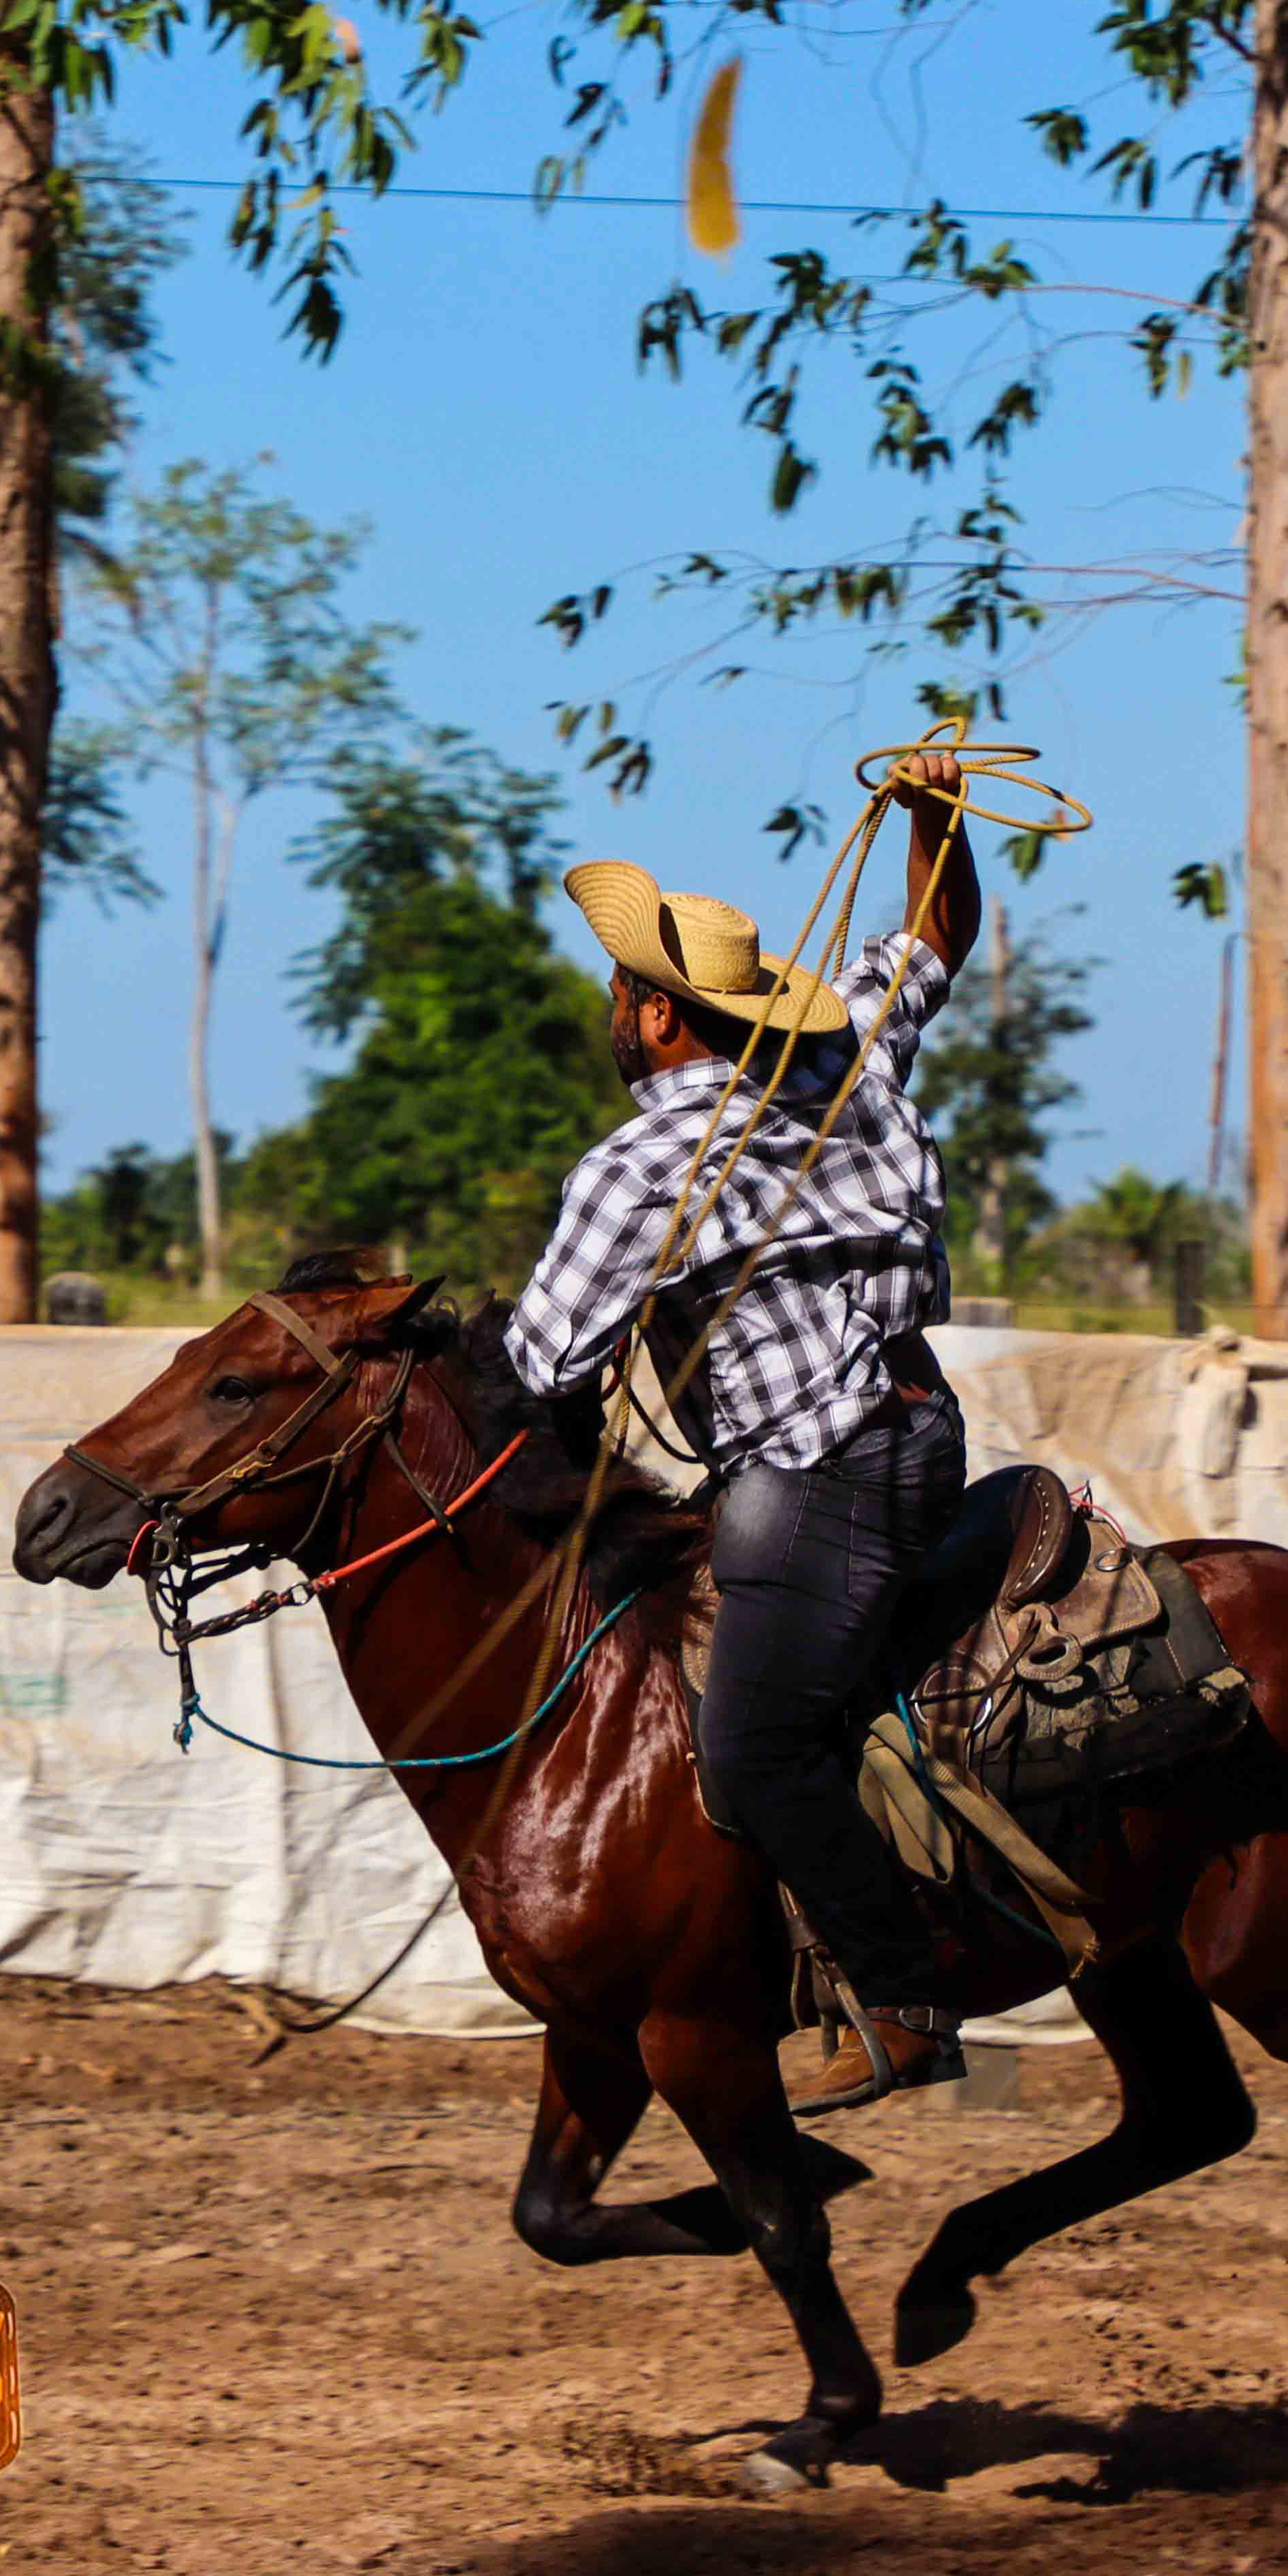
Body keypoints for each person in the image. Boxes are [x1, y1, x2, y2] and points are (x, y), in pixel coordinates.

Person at [506, 748, 981, 2115]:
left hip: (819, 1474)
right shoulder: (842, 1051)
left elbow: (543, 1362)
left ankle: (903, 1999)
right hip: (920, 1429)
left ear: (659, 1016)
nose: (611, 1008)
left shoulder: (638, 1167)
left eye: (620, 991)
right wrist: (938, 815)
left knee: (752, 1747)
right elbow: (934, 939)